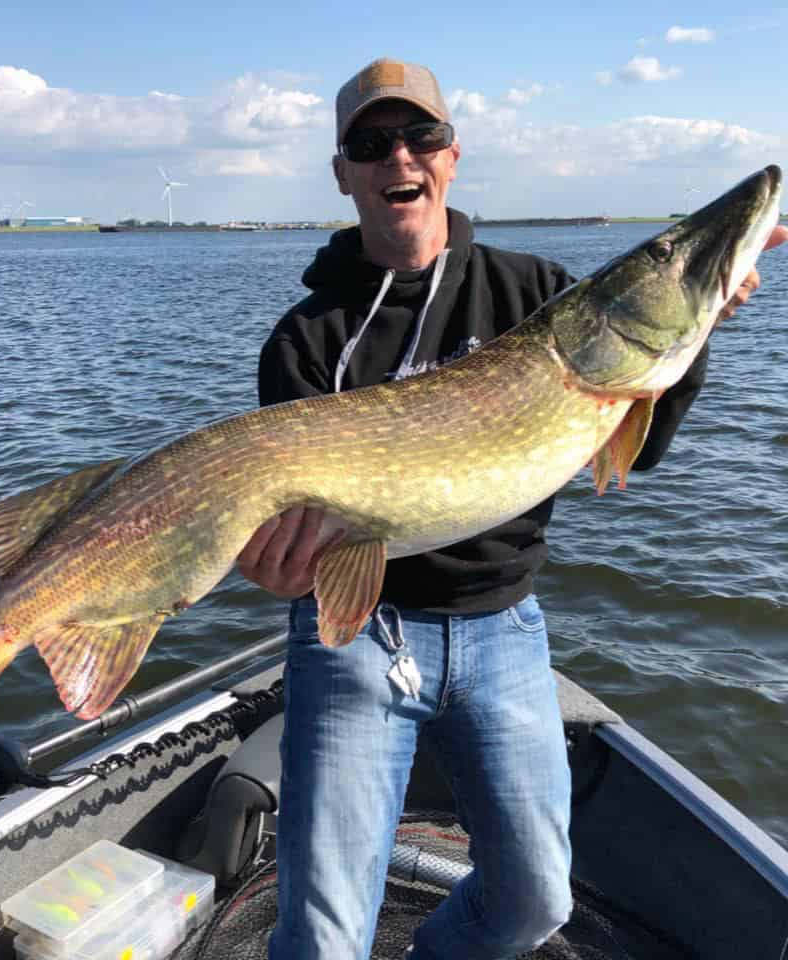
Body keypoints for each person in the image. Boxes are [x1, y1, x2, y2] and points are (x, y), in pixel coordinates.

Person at [237, 57, 786, 960]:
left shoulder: (539, 293)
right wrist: (275, 563)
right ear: (344, 172)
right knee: (323, 934)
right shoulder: (305, 339)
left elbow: (636, 445)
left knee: (536, 901)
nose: (398, 157)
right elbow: (295, 539)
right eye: (371, 144)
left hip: (503, 631)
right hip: (356, 637)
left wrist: (701, 320)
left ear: (451, 157)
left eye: (421, 136)